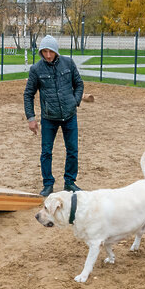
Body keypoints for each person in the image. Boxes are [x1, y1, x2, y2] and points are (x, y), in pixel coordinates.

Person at [24, 35, 85, 197]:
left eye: (50, 51)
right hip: (49, 117)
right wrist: (31, 118)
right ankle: (48, 184)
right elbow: (28, 94)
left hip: (69, 115)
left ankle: (70, 182)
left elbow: (79, 84)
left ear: (56, 51)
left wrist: (75, 101)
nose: (48, 55)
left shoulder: (68, 63)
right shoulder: (36, 69)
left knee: (72, 150)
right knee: (46, 152)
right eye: (44, 51)